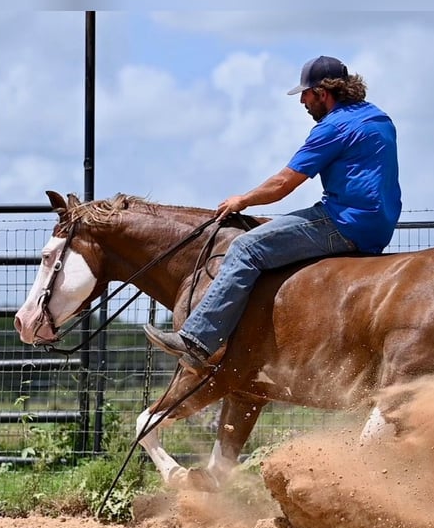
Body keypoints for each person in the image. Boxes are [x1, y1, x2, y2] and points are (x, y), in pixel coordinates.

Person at [144, 55, 402, 371]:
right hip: (381, 225)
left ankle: (196, 340)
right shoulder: (378, 117)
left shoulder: (332, 128)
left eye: (306, 94)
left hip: (344, 221)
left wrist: (242, 200)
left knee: (246, 247)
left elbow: (282, 184)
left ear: (323, 92)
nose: (303, 102)